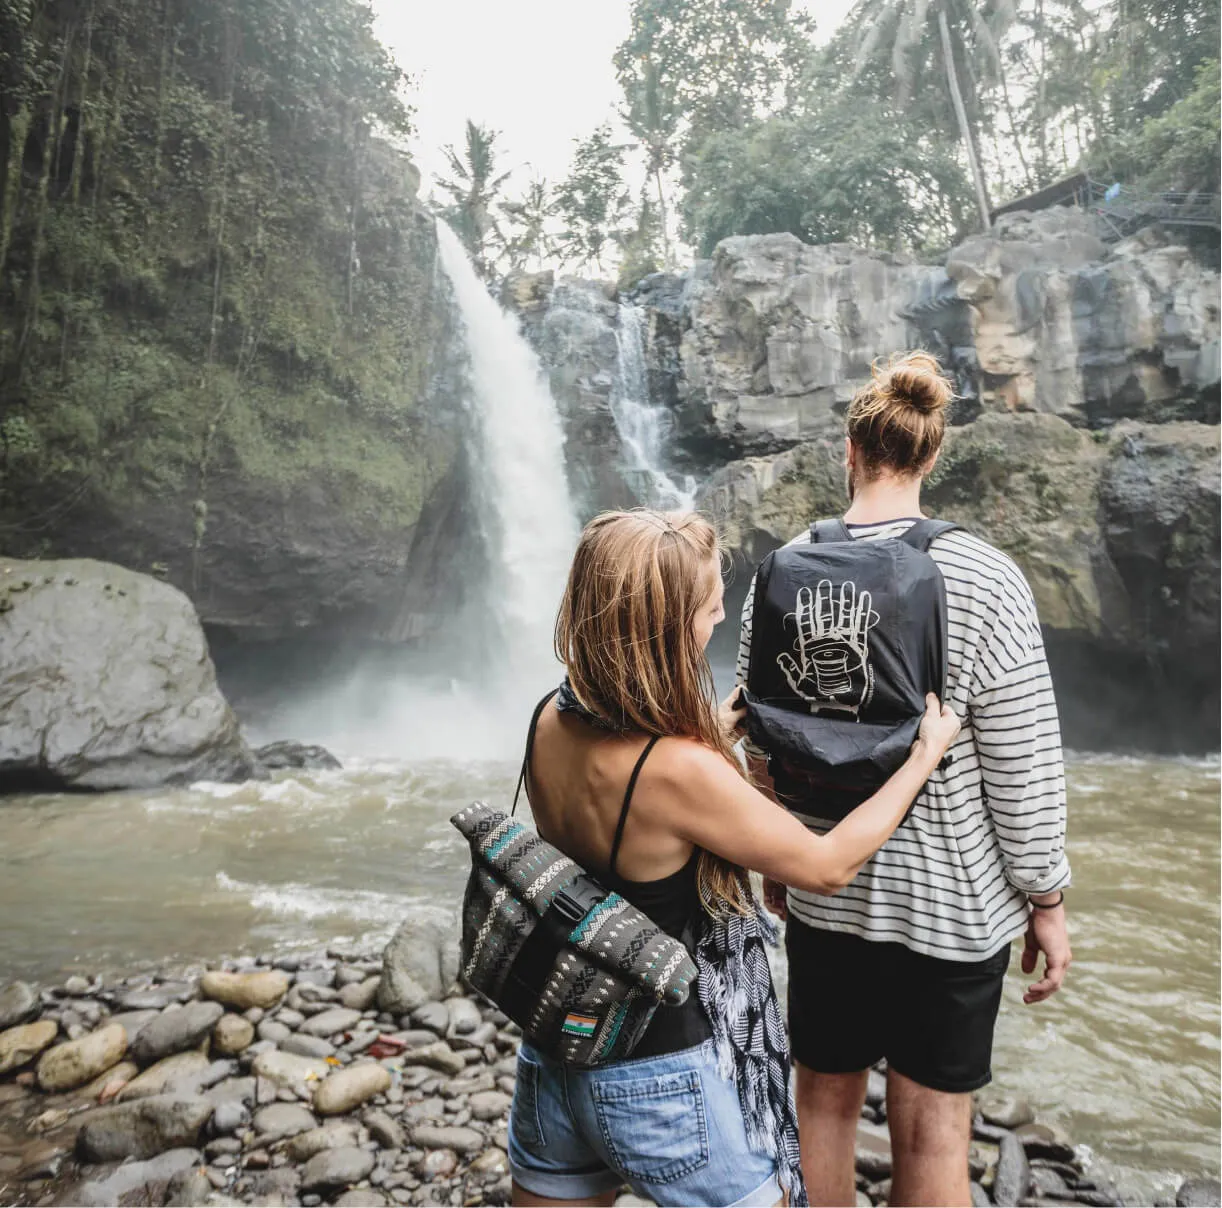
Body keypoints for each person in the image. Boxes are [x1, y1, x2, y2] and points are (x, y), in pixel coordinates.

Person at [507, 508, 962, 1208]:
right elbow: (825, 865)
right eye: (707, 607)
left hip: (556, 1054)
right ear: (662, 626)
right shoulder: (678, 771)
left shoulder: (549, 717)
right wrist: (922, 757)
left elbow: (625, 813)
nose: (719, 617)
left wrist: (717, 730)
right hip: (658, 1076)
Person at [736, 352, 1072, 1208]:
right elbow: (1021, 761)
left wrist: (781, 858)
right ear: (931, 456)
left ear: (849, 451)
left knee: (822, 1103)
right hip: (952, 911)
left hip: (827, 888)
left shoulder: (780, 573)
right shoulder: (988, 577)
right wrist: (1046, 898)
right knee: (932, 1133)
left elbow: (758, 739)